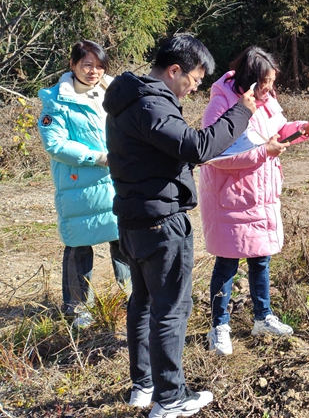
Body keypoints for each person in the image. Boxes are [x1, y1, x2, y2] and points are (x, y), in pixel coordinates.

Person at [103, 35, 256, 418]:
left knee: (142, 304)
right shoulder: (151, 105)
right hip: (160, 223)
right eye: (194, 80)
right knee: (170, 309)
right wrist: (241, 112)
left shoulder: (127, 100)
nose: (194, 89)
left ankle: (144, 385)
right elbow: (197, 147)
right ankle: (169, 399)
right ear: (175, 71)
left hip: (132, 221)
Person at [200, 46, 309, 356]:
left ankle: (263, 317)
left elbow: (278, 131)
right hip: (230, 197)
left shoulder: (267, 101)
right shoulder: (221, 104)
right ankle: (219, 327)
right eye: (265, 81)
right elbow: (214, 156)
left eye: (271, 81)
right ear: (249, 78)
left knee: (261, 258)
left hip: (261, 194)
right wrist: (262, 152)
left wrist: (301, 129)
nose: (269, 87)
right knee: (227, 263)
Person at [37, 40, 131, 328]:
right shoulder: (56, 100)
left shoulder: (115, 92)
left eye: (100, 65)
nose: (94, 71)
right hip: (81, 185)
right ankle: (77, 309)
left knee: (124, 240)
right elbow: (54, 144)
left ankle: (134, 297)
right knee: (79, 244)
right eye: (87, 64)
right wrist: (96, 157)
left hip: (118, 180)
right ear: (73, 65)